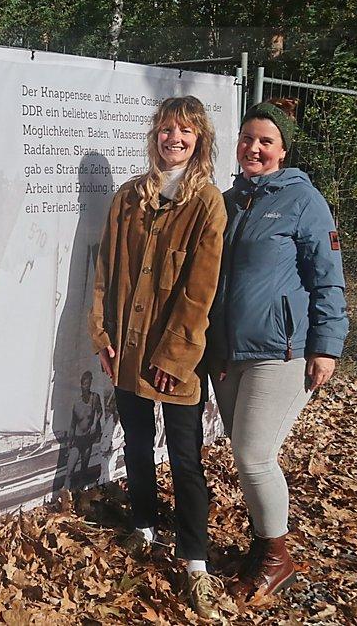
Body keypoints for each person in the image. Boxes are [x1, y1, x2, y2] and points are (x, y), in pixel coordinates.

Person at [87, 96, 227, 618]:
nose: (175, 138)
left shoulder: (207, 202)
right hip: (127, 351)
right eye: (167, 129)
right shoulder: (128, 197)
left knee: (187, 460)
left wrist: (173, 357)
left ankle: (195, 560)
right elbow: (104, 273)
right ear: (155, 136)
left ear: (199, 140)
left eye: (186, 131)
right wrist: (102, 335)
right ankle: (143, 528)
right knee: (139, 446)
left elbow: (200, 289)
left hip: (177, 359)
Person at [207, 99, 348, 601]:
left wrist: (326, 346)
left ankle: (276, 558)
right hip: (227, 353)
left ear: (283, 149)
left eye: (266, 140)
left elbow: (327, 279)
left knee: (253, 453)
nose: (254, 148)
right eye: (248, 138)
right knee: (245, 454)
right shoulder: (225, 201)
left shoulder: (303, 201)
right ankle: (260, 542)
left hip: (282, 351)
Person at [65, 370, 104, 486]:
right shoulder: (76, 403)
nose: (86, 386)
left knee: (84, 468)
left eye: (88, 384)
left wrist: (94, 424)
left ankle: (80, 491)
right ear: (81, 385)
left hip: (88, 438)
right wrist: (69, 442)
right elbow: (72, 424)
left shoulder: (94, 397)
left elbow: (99, 411)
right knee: (69, 470)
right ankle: (65, 492)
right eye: (84, 384)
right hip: (77, 438)